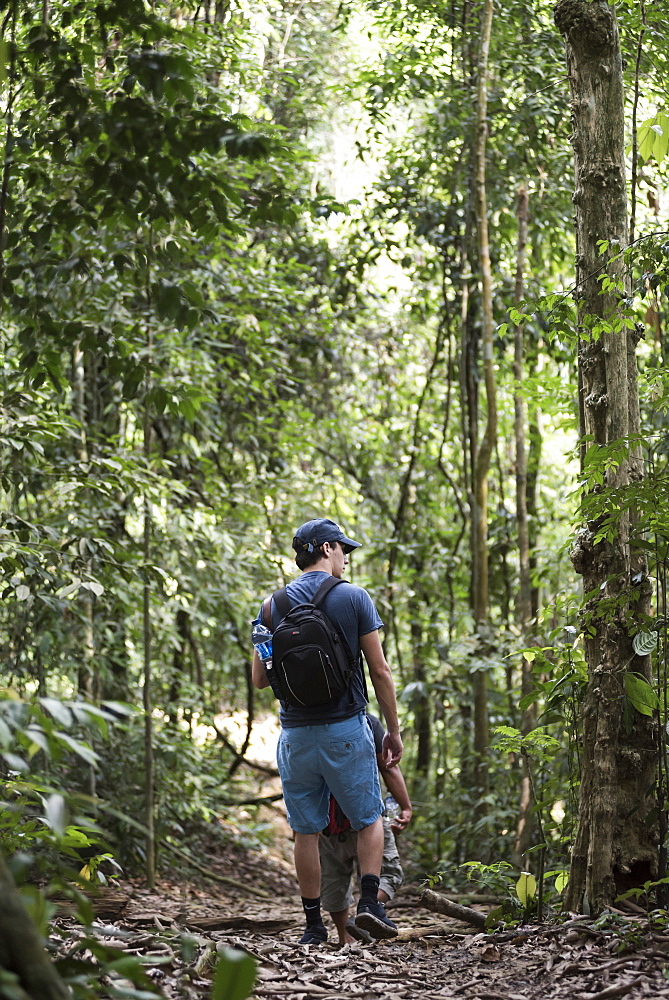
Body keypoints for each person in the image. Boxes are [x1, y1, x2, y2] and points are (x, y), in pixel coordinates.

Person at [251, 517, 404, 945]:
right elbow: (379, 670)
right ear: (325, 548)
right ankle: (371, 903)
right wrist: (392, 730)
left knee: (306, 830)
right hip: (347, 728)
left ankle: (313, 925)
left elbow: (260, 680)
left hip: (296, 735)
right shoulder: (354, 598)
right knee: (370, 816)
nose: (346, 558)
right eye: (343, 549)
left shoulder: (269, 607)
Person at [320, 713, 412, 945]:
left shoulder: (303, 724)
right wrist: (405, 806)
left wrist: (300, 827)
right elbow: (388, 767)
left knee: (334, 883)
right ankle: (365, 909)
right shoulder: (367, 723)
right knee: (389, 873)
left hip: (326, 822)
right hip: (367, 820)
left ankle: (345, 938)